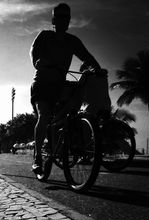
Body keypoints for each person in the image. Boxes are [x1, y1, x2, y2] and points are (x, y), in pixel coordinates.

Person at [30, 3, 102, 174]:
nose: (64, 20)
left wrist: (98, 69)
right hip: (42, 83)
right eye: (60, 16)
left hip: (60, 85)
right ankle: (38, 155)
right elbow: (34, 52)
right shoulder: (45, 36)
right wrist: (37, 62)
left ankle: (65, 131)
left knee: (77, 95)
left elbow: (87, 56)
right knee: (44, 114)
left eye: (67, 17)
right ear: (53, 20)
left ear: (69, 20)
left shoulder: (73, 41)